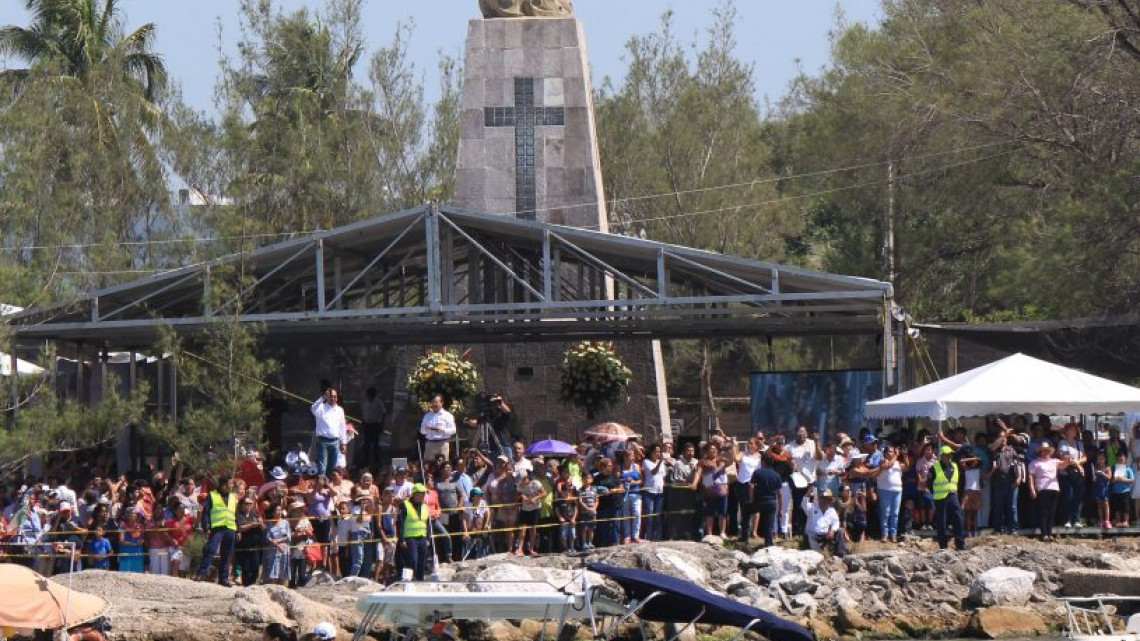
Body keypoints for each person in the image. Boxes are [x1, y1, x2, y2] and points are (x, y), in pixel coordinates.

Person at [195, 475, 238, 586]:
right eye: (230, 483)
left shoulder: (233, 497)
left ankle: (223, 578)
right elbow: (206, 512)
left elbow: (235, 513)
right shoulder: (212, 495)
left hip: (230, 528)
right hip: (217, 527)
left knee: (227, 554)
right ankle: (201, 573)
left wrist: (238, 530)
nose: (232, 486)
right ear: (224, 484)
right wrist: (206, 527)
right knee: (210, 549)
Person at [787, 426, 823, 535]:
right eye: (800, 433)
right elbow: (787, 459)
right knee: (798, 506)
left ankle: (809, 530)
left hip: (810, 480)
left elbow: (820, 457)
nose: (802, 435)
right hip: (798, 480)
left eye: (804, 433)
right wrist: (791, 463)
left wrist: (817, 443)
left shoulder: (812, 443)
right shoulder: (790, 446)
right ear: (795, 434)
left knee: (810, 506)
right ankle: (797, 531)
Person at [931, 445, 965, 550]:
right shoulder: (934, 467)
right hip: (941, 498)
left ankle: (960, 545)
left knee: (958, 519)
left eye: (950, 454)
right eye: (947, 455)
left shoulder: (955, 466)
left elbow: (960, 482)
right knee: (942, 522)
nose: (949, 456)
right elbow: (929, 483)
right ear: (941, 456)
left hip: (953, 496)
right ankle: (943, 546)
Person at [397, 483, 431, 581]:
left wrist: (428, 538)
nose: (423, 496)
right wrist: (401, 539)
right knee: (412, 560)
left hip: (422, 537)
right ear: (415, 494)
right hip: (410, 538)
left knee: (422, 561)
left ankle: (420, 580)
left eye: (424, 494)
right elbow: (400, 523)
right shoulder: (405, 505)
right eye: (421, 493)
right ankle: (410, 580)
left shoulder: (425, 506)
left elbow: (427, 523)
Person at [311, 388, 348, 478]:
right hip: (323, 441)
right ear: (327, 397)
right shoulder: (321, 408)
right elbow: (312, 408)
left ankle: (329, 484)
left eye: (335, 397)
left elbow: (342, 427)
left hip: (335, 441)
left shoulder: (340, 410)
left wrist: (343, 443)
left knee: (332, 466)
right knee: (322, 466)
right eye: (331, 397)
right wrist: (323, 397)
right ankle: (321, 485)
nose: (333, 399)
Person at [1027, 441, 1061, 540]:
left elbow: (1064, 464)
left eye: (1047, 451)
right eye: (1043, 451)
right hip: (1042, 488)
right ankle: (1044, 533)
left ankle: (1049, 533)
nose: (1045, 453)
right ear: (1040, 452)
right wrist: (1032, 489)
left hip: (1053, 488)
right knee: (1043, 512)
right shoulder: (1035, 462)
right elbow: (1031, 477)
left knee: (1051, 512)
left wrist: (1068, 459)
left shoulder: (1054, 461)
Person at [875, 445, 907, 542]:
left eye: (893, 451)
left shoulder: (897, 463)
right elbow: (888, 465)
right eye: (890, 451)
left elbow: (906, 467)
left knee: (895, 513)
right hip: (885, 489)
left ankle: (893, 534)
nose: (892, 453)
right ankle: (884, 534)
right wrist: (897, 455)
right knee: (885, 513)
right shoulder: (882, 461)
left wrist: (905, 456)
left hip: (897, 490)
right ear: (885, 453)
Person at [748, 463, 783, 547]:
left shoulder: (757, 472)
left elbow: (751, 486)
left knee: (753, 516)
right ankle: (768, 543)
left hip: (759, 500)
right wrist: (780, 508)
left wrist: (751, 499)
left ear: (763, 462)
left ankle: (749, 535)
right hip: (771, 501)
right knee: (769, 524)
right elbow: (780, 493)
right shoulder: (776, 475)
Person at [803, 488, 844, 556]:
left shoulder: (831, 510)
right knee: (808, 536)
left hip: (825, 535)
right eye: (823, 498)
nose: (825, 500)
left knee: (839, 531)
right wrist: (807, 495)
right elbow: (804, 505)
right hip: (813, 535)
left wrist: (832, 530)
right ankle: (817, 553)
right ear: (819, 498)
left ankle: (840, 554)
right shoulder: (812, 507)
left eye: (827, 499)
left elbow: (836, 522)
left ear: (829, 500)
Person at [515, 467, 545, 556]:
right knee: (522, 529)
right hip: (525, 508)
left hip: (535, 508)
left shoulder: (535, 483)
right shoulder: (520, 485)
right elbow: (516, 497)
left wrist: (535, 498)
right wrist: (521, 497)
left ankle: (531, 548)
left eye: (523, 479)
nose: (522, 481)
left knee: (533, 529)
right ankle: (520, 549)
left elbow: (544, 492)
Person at [235, 496, 264, 586]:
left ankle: (252, 584)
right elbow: (240, 527)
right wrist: (252, 525)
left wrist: (260, 523)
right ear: (242, 504)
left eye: (250, 503)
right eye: (246, 503)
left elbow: (263, 527)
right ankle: (246, 586)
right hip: (243, 546)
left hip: (255, 545)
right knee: (246, 569)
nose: (248, 505)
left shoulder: (255, 514)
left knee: (255, 568)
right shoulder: (239, 514)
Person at [420, 395, 456, 462]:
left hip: (442, 444)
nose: (434, 404)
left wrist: (443, 430)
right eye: (433, 402)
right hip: (430, 444)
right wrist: (425, 429)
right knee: (428, 465)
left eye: (436, 402)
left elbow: (453, 430)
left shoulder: (448, 415)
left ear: (442, 403)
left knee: (442, 465)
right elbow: (422, 431)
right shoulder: (427, 416)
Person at [359, 387, 388, 464]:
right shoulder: (365, 402)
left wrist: (382, 425)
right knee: (366, 444)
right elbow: (363, 414)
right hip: (367, 424)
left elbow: (383, 413)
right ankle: (366, 461)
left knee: (376, 444)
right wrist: (362, 424)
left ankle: (376, 461)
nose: (368, 395)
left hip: (375, 425)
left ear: (373, 394)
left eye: (369, 394)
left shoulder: (379, 402)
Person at [1110, 450, 1134, 528]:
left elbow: (1132, 480)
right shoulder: (1114, 468)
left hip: (1125, 491)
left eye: (1122, 459)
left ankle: (1126, 521)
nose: (1120, 460)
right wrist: (1115, 479)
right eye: (1119, 458)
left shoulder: (1128, 469)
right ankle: (1118, 521)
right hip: (1116, 491)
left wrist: (1124, 479)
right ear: (1116, 459)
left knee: (1125, 507)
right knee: (1117, 507)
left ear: (1125, 459)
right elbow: (1111, 480)